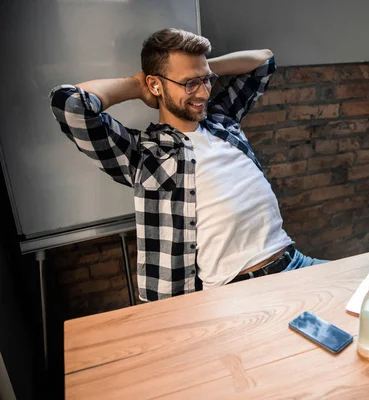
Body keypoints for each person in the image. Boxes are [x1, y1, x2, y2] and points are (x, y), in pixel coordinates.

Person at [49, 28, 326, 301]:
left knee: (366, 288)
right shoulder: (144, 154)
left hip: (294, 262)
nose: (204, 93)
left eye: (206, 81)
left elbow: (264, 61)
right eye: (190, 83)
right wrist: (138, 84)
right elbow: (70, 104)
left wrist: (199, 69)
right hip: (236, 291)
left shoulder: (221, 120)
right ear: (156, 85)